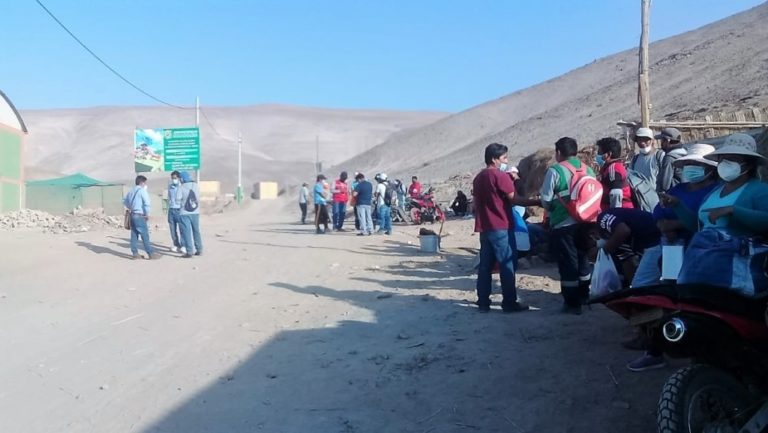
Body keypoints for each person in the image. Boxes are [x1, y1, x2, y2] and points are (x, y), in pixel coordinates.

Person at [540, 137, 594, 314]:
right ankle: (585, 295)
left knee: (568, 263)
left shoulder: (555, 170)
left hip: (564, 224)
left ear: (558, 153)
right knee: (583, 259)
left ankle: (572, 304)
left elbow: (546, 199)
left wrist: (551, 210)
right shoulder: (588, 169)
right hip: (587, 222)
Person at [472, 142, 529, 313]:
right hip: (501, 226)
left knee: (485, 266)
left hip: (485, 227)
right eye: (504, 158)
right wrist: (537, 201)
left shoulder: (478, 178)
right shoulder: (500, 176)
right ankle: (509, 302)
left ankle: (483, 302)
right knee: (506, 264)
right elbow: (515, 199)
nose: (506, 160)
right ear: (494, 159)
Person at [590, 208, 662, 288]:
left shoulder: (602, 219)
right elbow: (627, 261)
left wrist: (603, 252)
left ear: (592, 234)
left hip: (658, 239)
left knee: (641, 286)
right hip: (659, 242)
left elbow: (623, 230)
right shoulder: (616, 241)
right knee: (669, 279)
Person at [123, 175, 159, 260]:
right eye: (145, 183)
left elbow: (124, 201)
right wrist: (147, 214)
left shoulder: (131, 191)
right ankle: (151, 254)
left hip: (132, 215)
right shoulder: (142, 191)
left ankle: (135, 253)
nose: (145, 184)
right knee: (145, 235)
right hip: (139, 215)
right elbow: (147, 203)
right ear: (142, 182)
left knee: (134, 235)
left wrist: (131, 207)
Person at [596, 137, 634, 209]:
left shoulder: (613, 168)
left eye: (600, 152)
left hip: (622, 211)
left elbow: (616, 192)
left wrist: (614, 213)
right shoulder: (610, 167)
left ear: (608, 154)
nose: (598, 155)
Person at [178, 171, 202, 258]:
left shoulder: (181, 187)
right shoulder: (195, 185)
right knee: (196, 231)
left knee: (186, 232)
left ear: (182, 178)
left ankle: (189, 251)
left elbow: (177, 199)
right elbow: (198, 197)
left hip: (184, 212)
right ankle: (199, 249)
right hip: (195, 212)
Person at [656, 127, 688, 193]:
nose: (661, 143)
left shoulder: (669, 158)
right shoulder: (686, 153)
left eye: (662, 140)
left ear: (668, 141)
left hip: (675, 195)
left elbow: (665, 185)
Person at [167, 170, 184, 253]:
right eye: (172, 178)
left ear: (179, 178)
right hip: (171, 209)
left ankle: (183, 245)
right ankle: (176, 245)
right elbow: (169, 197)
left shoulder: (182, 186)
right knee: (172, 229)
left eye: (175, 178)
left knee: (182, 228)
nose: (173, 179)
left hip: (179, 209)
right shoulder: (170, 186)